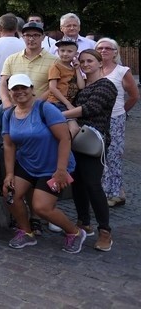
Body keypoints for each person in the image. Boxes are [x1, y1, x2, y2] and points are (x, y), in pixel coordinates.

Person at [1, 74, 84, 253]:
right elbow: (9, 145)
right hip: (28, 163)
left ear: (32, 89)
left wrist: (61, 170)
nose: (20, 92)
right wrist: (9, 174)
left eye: (24, 87)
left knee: (42, 207)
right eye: (15, 89)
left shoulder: (45, 109)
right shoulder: (8, 114)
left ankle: (75, 232)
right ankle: (26, 231)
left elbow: (64, 139)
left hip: (54, 166)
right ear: (10, 92)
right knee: (10, 193)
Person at [62, 50, 117, 251]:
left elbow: (91, 108)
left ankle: (105, 232)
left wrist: (60, 115)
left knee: (93, 185)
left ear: (99, 63)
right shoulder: (84, 86)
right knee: (78, 183)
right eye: (83, 61)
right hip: (77, 140)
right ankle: (84, 222)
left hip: (94, 142)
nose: (86, 64)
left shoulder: (107, 85)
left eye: (90, 61)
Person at [95, 37, 139, 207]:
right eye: (100, 48)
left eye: (108, 48)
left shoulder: (122, 71)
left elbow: (134, 96)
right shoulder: (91, 69)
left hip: (115, 119)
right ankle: (104, 190)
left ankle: (114, 193)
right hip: (95, 119)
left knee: (113, 156)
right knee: (98, 156)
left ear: (115, 52)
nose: (104, 51)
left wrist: (122, 112)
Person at [0, 21, 57, 110]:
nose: (31, 39)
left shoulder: (54, 61)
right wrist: (6, 101)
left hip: (40, 109)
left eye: (36, 35)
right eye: (27, 35)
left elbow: (54, 87)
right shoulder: (11, 59)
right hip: (14, 108)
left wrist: (35, 104)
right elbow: (3, 84)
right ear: (23, 37)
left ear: (43, 37)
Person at [47, 39, 85, 136]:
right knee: (74, 128)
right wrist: (68, 104)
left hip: (66, 104)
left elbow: (81, 86)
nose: (65, 54)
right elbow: (52, 88)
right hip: (56, 103)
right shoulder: (56, 66)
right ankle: (64, 150)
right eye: (62, 50)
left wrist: (77, 69)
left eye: (69, 51)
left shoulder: (73, 69)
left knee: (70, 129)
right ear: (58, 52)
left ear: (76, 54)